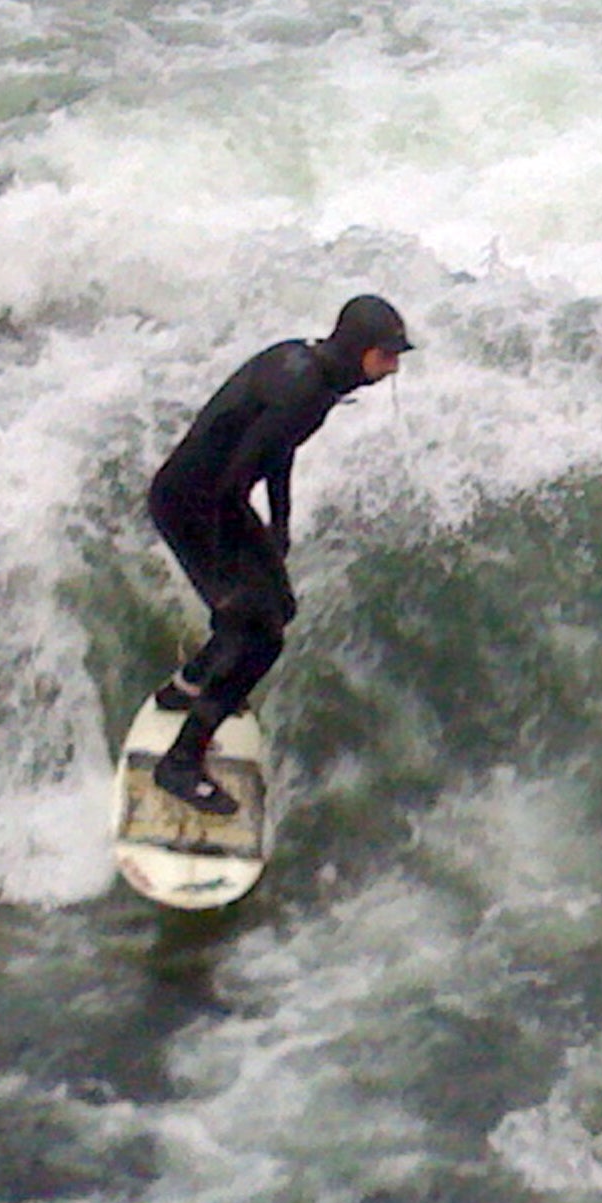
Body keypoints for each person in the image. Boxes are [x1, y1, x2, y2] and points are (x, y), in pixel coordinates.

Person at [145, 293, 412, 813]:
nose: (393, 367)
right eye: (386, 355)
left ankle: (186, 687)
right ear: (358, 349)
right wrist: (232, 574)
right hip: (193, 506)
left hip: (210, 496)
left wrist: (279, 526)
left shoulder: (310, 369)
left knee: (279, 607)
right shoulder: (305, 391)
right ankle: (179, 763)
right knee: (259, 636)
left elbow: (276, 450)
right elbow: (235, 479)